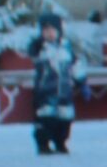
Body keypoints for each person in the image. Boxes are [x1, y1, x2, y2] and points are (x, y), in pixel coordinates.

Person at [28, 14, 87, 155]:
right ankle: (43, 144)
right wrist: (36, 44)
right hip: (45, 92)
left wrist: (81, 81)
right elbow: (33, 54)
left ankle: (60, 142)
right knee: (45, 118)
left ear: (59, 31)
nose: (49, 34)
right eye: (45, 30)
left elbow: (74, 65)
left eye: (52, 30)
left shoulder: (66, 48)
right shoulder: (41, 48)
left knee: (64, 118)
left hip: (64, 92)